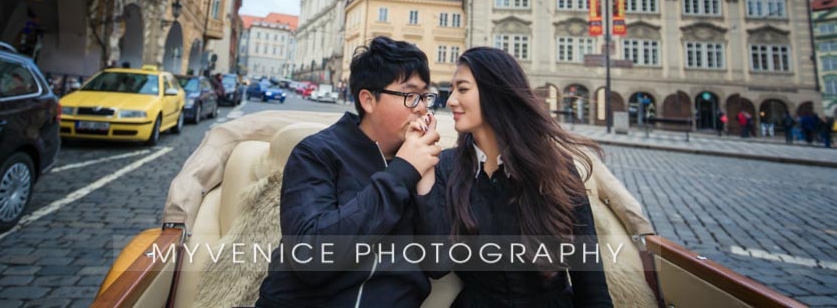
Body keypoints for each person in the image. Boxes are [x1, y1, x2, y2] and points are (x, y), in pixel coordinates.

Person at [415, 47, 613, 307]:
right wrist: (425, 170)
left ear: (495, 92)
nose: (451, 100)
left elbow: (590, 281)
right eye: (452, 90)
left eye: (462, 89)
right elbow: (436, 263)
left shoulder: (555, 167)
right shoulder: (446, 167)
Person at [256, 37, 441, 307]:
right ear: (368, 100)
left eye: (425, 96)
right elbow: (311, 256)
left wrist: (424, 178)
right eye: (410, 95)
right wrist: (402, 172)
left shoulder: (428, 161)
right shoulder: (316, 154)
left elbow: (440, 262)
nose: (423, 106)